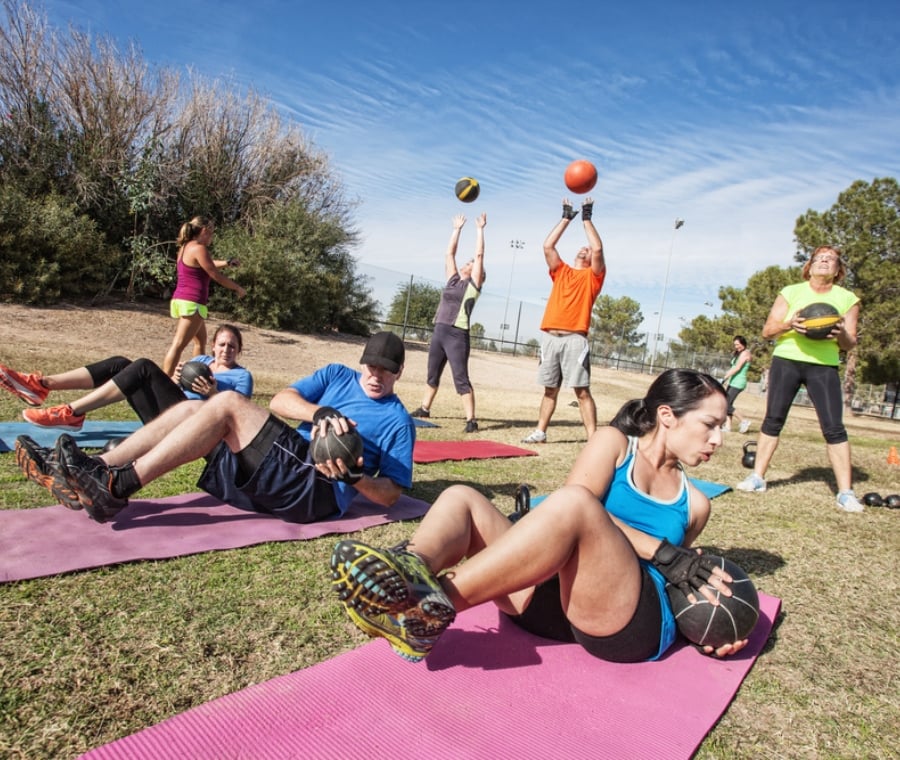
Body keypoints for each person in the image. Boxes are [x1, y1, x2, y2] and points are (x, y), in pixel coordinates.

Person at [331, 369, 750, 665]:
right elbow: (570, 509)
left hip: (624, 622)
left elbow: (677, 579)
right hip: (549, 607)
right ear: (667, 415)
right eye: (710, 424)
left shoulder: (696, 503)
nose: (717, 439)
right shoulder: (615, 444)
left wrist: (711, 628)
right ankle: (410, 568)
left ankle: (424, 609)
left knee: (576, 506)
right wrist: (663, 552)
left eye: (722, 428)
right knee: (462, 497)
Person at [17, 332, 415, 526]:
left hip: (317, 491)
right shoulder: (336, 375)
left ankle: (116, 487)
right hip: (288, 464)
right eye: (371, 365)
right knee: (194, 409)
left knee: (224, 402)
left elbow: (391, 496)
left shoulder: (397, 421)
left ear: (399, 372)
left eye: (386, 369)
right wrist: (318, 411)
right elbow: (280, 401)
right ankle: (95, 469)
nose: (376, 375)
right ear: (362, 361)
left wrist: (357, 477)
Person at [735, 246, 863, 512]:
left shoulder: (848, 298)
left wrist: (839, 332)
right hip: (787, 360)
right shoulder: (791, 292)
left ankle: (846, 493)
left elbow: (850, 343)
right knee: (773, 419)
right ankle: (757, 477)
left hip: (823, 366)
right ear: (810, 266)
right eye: (820, 258)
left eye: (831, 259)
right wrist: (790, 324)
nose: (825, 261)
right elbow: (768, 330)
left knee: (834, 427)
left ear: (838, 269)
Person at [1, 324, 252, 430]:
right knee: (120, 364)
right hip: (168, 410)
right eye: (222, 344)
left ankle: (71, 412)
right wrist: (176, 379)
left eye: (231, 346)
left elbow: (236, 419)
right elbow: (175, 388)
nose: (226, 350)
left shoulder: (243, 377)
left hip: (187, 425)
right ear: (213, 347)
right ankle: (42, 385)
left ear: (239, 349)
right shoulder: (200, 362)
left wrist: (213, 394)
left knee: (143, 367)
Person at [521, 198, 606, 444]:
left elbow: (598, 249)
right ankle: (540, 431)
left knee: (581, 391)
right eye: (582, 247)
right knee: (549, 390)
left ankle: (593, 439)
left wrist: (587, 218)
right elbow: (548, 246)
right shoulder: (562, 271)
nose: (585, 249)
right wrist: (566, 218)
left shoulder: (593, 277)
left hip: (575, 340)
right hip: (550, 337)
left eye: (587, 249)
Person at [409, 213, 487, 433]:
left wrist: (480, 229)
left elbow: (479, 255)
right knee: (432, 373)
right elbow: (449, 253)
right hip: (439, 331)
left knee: (460, 378)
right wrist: (457, 229)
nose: (468, 263)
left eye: (470, 263)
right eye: (468, 262)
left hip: (456, 334)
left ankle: (471, 420)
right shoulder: (453, 280)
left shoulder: (473, 286)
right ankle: (425, 408)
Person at [162, 216, 246, 375]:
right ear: (204, 231)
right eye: (211, 233)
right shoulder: (199, 248)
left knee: (200, 342)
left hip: (184, 299)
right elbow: (214, 274)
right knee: (178, 344)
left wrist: (227, 262)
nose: (212, 237)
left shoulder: (187, 247)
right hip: (192, 302)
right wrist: (237, 288)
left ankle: (195, 376)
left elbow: (208, 263)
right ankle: (164, 381)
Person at [721, 335, 752, 433]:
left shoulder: (746, 353)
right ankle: (728, 427)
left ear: (743, 343)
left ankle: (744, 421)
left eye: (738, 344)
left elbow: (738, 367)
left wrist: (725, 377)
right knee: (727, 403)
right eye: (735, 345)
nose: (736, 347)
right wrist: (726, 377)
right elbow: (733, 367)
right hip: (733, 381)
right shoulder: (739, 353)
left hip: (738, 382)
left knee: (726, 404)